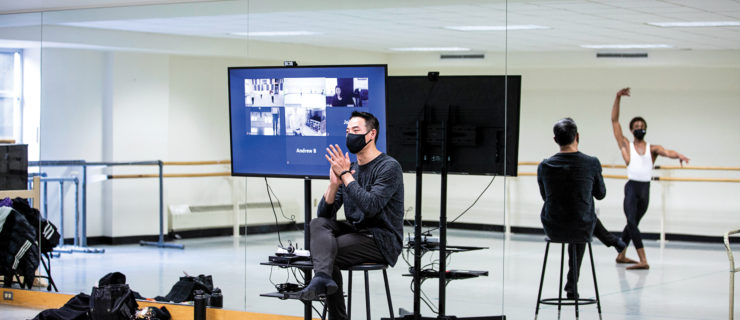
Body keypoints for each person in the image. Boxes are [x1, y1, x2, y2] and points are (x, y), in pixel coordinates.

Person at [299, 111, 404, 320]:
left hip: (381, 238)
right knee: (317, 224)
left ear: (371, 134)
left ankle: (333, 306)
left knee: (328, 254)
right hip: (355, 231)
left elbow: (371, 206)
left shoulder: (389, 167)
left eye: (355, 131)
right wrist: (333, 184)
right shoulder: (351, 169)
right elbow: (325, 215)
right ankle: (322, 278)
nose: (350, 136)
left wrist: (345, 176)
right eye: (347, 131)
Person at [611, 87, 689, 270]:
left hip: (645, 190)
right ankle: (643, 259)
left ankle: (621, 255)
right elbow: (614, 121)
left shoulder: (652, 148)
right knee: (631, 222)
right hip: (631, 188)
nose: (640, 129)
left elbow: (668, 152)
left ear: (645, 129)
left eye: (642, 126)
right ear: (631, 130)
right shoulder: (626, 145)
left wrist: (680, 156)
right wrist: (617, 98)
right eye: (636, 127)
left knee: (633, 224)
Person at [538, 117, 606, 299]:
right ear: (577, 136)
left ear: (555, 140)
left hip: (553, 227)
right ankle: (572, 283)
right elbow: (600, 194)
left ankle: (612, 240)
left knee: (577, 214)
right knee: (583, 214)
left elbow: (545, 197)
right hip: (581, 227)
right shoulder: (591, 163)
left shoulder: (544, 165)